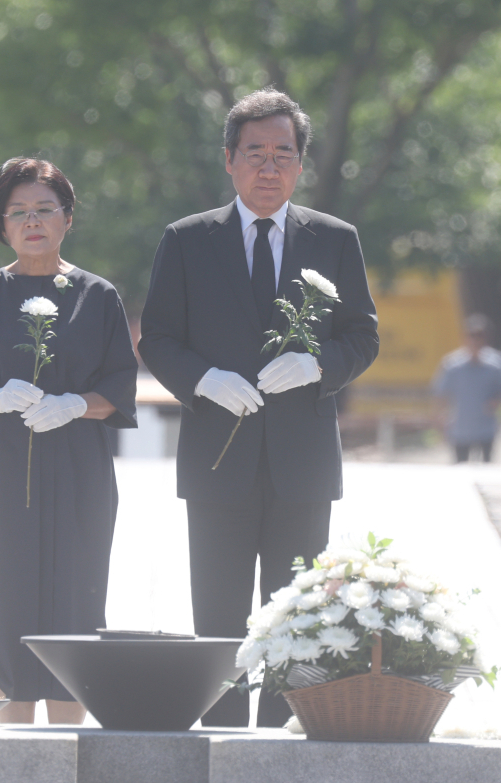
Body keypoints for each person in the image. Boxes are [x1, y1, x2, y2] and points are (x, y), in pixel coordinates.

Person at [138, 88, 378, 727]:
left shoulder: (334, 239)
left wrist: (319, 365)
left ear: (301, 164)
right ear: (228, 160)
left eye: (283, 154)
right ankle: (217, 739)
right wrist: (204, 379)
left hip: (302, 462)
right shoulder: (188, 240)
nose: (268, 168)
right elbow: (157, 337)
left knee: (295, 615)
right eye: (255, 154)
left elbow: (363, 334)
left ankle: (278, 744)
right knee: (216, 616)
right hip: (217, 457)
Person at [0, 158, 137, 724]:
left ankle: (66, 752)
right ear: (2, 225)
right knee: (3, 600)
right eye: (18, 212)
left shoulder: (96, 296)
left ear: (68, 219)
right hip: (4, 469)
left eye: (45, 210)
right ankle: (17, 754)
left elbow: (118, 386)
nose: (32, 221)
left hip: (80, 469)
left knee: (75, 601)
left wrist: (76, 404)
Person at [433, 313, 501, 463]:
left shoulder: (497, 364)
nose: (475, 340)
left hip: (486, 427)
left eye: (480, 336)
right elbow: (441, 394)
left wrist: (498, 401)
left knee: (486, 467)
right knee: (460, 468)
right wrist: (441, 420)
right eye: (472, 335)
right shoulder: (452, 365)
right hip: (460, 427)